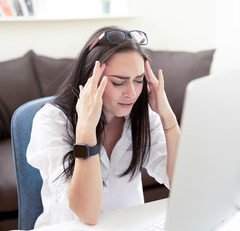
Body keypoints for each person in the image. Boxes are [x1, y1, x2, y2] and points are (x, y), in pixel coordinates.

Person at [27, 26, 180, 228]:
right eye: (119, 82)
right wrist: (86, 131)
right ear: (90, 80)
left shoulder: (143, 118)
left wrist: (168, 119)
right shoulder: (51, 122)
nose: (132, 94)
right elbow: (87, 214)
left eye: (138, 80)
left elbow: (181, 185)